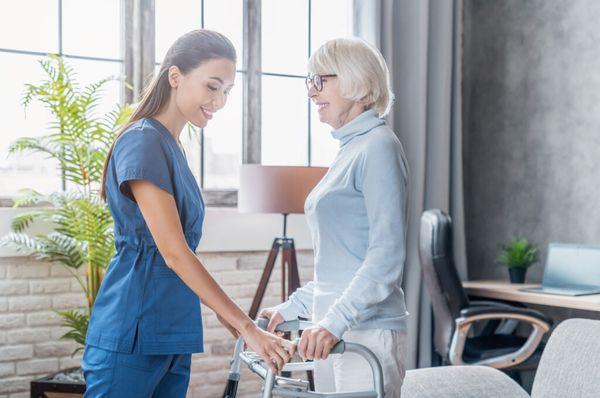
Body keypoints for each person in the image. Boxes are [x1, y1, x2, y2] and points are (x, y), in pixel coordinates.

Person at [83, 29, 294, 397]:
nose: (221, 100)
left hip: (171, 332)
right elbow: (174, 252)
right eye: (212, 86)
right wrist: (245, 326)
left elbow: (181, 255)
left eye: (227, 90)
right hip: (133, 329)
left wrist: (231, 320)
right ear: (175, 77)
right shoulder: (143, 139)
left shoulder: (173, 146)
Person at [260, 37, 409, 397]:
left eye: (320, 80)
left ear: (355, 81)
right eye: (309, 82)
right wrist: (294, 306)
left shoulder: (379, 147)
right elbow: (342, 265)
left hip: (364, 332)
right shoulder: (351, 149)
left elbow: (385, 256)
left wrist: (333, 322)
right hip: (332, 330)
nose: (312, 92)